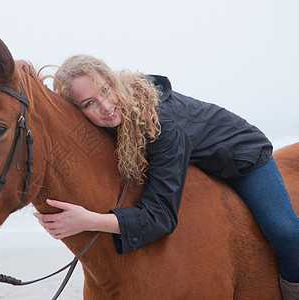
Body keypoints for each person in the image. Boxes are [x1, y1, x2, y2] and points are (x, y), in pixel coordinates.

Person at [33, 54, 299, 299]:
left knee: (287, 232)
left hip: (241, 156)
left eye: (105, 90)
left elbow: (161, 218)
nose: (104, 106)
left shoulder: (161, 125)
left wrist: (89, 220)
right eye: (89, 103)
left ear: (114, 82)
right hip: (197, 156)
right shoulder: (108, 122)